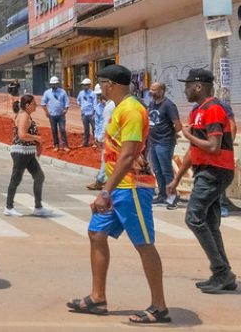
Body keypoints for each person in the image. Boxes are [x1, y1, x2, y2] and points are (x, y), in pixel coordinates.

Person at [67, 64, 169, 325]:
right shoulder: (121, 108)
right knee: (96, 234)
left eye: (101, 83)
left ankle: (159, 307)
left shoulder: (133, 110)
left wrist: (105, 191)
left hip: (131, 187)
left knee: (143, 244)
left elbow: (128, 155)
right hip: (118, 187)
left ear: (110, 84)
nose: (99, 88)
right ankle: (97, 298)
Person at [167, 69, 236, 294]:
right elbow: (194, 150)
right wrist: (177, 178)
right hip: (205, 171)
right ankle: (223, 274)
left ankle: (221, 271)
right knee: (210, 222)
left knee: (194, 218)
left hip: (215, 171)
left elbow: (213, 147)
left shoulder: (213, 109)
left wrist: (187, 136)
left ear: (198, 86)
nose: (184, 90)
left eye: (187, 85)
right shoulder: (197, 111)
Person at [4, 94, 53, 217]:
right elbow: (21, 135)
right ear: (27, 105)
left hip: (28, 152)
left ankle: (38, 207)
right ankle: (8, 207)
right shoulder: (24, 116)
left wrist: (37, 144)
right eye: (33, 104)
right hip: (21, 152)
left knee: (39, 176)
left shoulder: (26, 115)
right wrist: (37, 138)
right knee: (16, 178)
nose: (35, 106)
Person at [145, 82, 181, 209]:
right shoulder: (152, 104)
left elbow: (178, 125)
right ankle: (162, 195)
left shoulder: (169, 105)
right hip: (153, 142)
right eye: (151, 89)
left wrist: (170, 135)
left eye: (155, 89)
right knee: (157, 170)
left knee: (166, 170)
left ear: (162, 91)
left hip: (164, 142)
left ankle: (172, 196)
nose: (151, 91)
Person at [87, 84, 115, 191]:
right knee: (106, 159)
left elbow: (106, 125)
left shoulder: (110, 106)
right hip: (103, 136)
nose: (99, 97)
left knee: (106, 159)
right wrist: (96, 135)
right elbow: (98, 122)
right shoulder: (100, 106)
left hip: (109, 138)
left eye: (100, 94)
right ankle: (103, 180)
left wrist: (100, 138)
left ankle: (101, 180)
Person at [41, 76, 70, 151]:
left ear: (57, 84)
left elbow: (67, 102)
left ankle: (65, 145)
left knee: (62, 129)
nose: (53, 85)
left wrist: (65, 110)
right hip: (52, 115)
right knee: (54, 130)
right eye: (52, 84)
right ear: (50, 84)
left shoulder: (62, 92)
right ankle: (56, 145)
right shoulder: (47, 93)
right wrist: (46, 112)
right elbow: (43, 103)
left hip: (61, 115)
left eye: (55, 84)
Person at [77, 78, 96, 147]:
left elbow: (95, 103)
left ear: (89, 85)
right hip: (84, 114)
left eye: (86, 85)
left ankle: (95, 142)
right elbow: (78, 100)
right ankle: (85, 142)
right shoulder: (81, 93)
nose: (84, 86)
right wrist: (80, 104)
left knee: (94, 129)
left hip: (91, 114)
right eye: (83, 85)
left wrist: (94, 112)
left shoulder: (93, 93)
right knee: (86, 129)